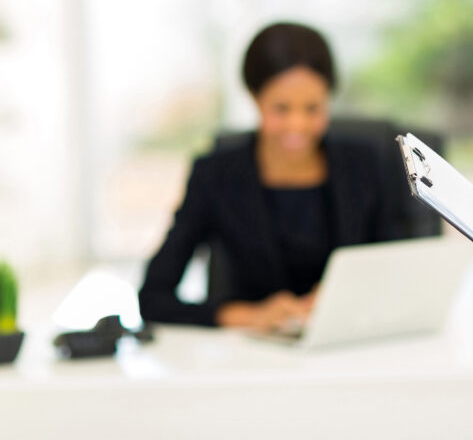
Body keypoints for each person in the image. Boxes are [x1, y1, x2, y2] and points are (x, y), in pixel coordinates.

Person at [139, 22, 403, 331]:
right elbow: (153, 298)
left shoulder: (367, 165)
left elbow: (399, 271)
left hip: (351, 344)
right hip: (253, 358)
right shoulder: (215, 176)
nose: (297, 125)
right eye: (281, 108)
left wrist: (346, 297)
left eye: (313, 108)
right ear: (254, 97)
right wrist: (250, 316)